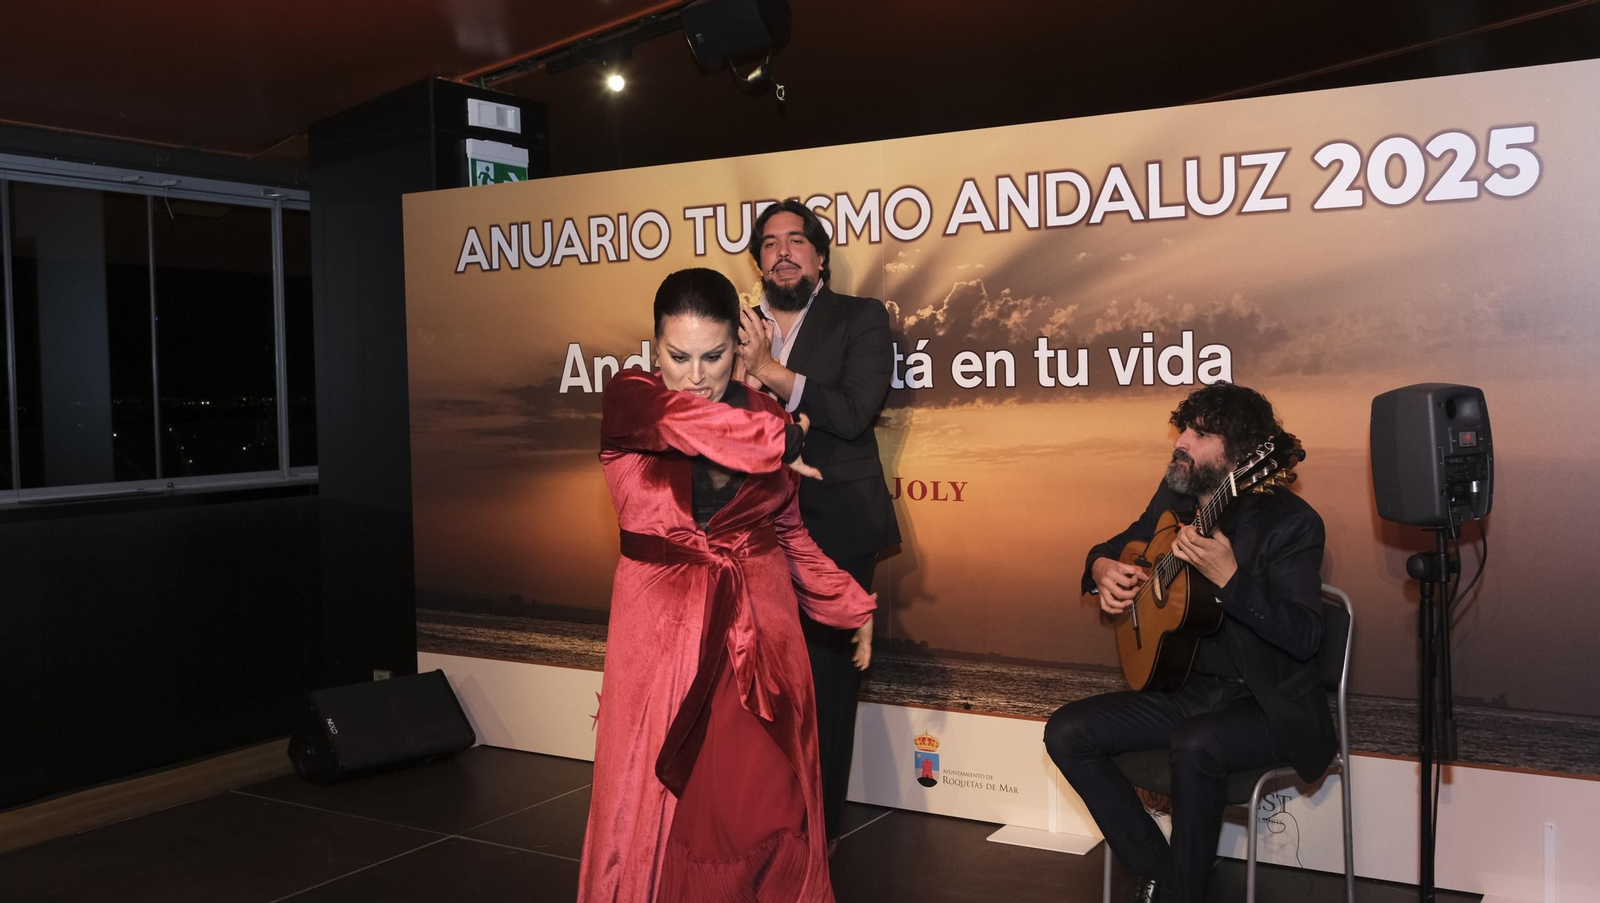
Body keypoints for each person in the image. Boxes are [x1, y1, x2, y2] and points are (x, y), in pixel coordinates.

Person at [578, 268, 876, 903]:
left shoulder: (761, 410)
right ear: (652, 347)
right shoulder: (631, 400)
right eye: (676, 355)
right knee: (667, 817)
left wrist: (850, 603)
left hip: (761, 643)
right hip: (664, 645)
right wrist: (784, 438)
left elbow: (790, 534)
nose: (694, 374)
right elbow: (694, 424)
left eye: (713, 356)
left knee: (766, 808)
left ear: (737, 349)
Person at [1043, 382, 1333, 903]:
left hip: (1266, 703)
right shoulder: (1175, 493)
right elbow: (1118, 544)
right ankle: (1164, 874)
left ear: (1241, 456)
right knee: (1067, 731)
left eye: (1201, 434)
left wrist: (1231, 579)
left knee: (1197, 742)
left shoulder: (1293, 524)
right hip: (1188, 689)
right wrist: (1101, 567)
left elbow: (1306, 637)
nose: (1183, 440)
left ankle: (1179, 890)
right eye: (1184, 427)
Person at [737, 199, 901, 849]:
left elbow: (857, 411)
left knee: (825, 690)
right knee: (756, 683)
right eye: (770, 243)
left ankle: (816, 838)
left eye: (796, 240)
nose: (783, 251)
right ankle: (764, 822)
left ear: (820, 256)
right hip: (751, 528)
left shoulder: (860, 317)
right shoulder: (737, 326)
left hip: (835, 529)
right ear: (757, 261)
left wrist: (771, 372)